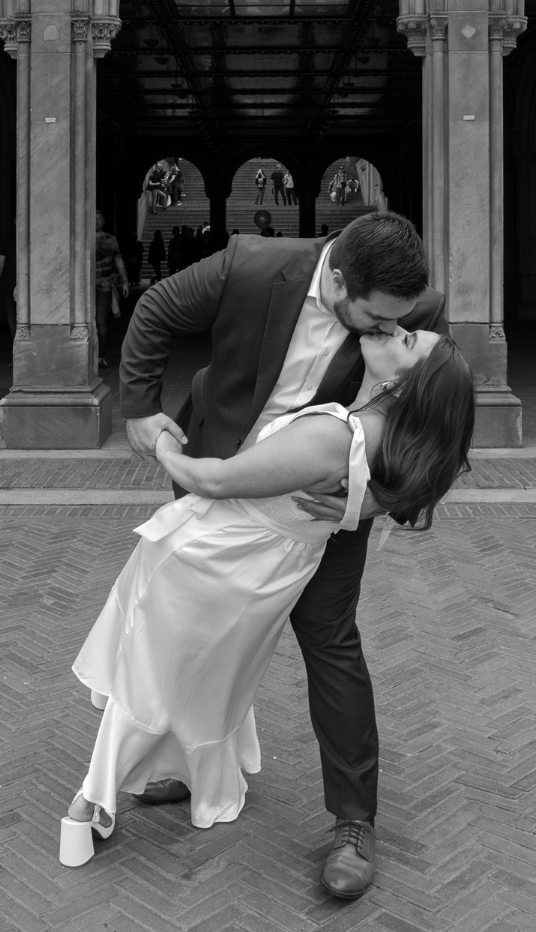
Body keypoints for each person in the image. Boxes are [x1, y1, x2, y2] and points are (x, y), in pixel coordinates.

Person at [109, 213, 448, 897]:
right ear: (341, 278)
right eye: (373, 319)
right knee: (198, 630)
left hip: (325, 504)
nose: (385, 330)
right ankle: (189, 763)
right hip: (220, 472)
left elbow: (442, 423)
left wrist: (378, 501)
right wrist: (140, 408)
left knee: (328, 638)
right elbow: (154, 309)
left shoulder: (418, 305)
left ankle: (355, 822)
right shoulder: (251, 265)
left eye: (395, 322)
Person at [94, 211, 129, 368]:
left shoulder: (111, 240)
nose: (96, 222)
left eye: (99, 219)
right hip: (85, 286)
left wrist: (125, 281)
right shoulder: (84, 239)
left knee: (101, 321)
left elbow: (118, 260)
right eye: (94, 219)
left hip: (104, 285)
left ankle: (101, 355)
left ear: (104, 221)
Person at [0, 221, 17, 341]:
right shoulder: (7, 241)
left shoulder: (31, 237)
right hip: (10, 285)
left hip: (27, 285)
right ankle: (17, 349)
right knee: (12, 320)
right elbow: (0, 264)